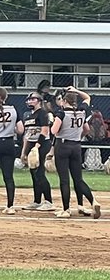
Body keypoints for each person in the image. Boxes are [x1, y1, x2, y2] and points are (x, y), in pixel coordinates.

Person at [50, 88, 102, 219]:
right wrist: (76, 90)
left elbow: (54, 131)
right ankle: (93, 201)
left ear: (65, 100)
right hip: (76, 146)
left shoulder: (61, 113)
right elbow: (87, 129)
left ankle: (66, 209)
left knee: (64, 180)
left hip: (63, 145)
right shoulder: (81, 111)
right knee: (78, 179)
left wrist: (53, 122)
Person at [20, 92, 54, 212]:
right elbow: (26, 136)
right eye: (28, 100)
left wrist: (36, 147)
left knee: (40, 174)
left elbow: (45, 131)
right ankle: (37, 201)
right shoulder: (28, 116)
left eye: (32, 99)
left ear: (39, 101)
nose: (30, 101)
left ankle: (49, 201)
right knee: (34, 174)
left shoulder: (43, 114)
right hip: (31, 146)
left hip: (42, 145)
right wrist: (24, 152)